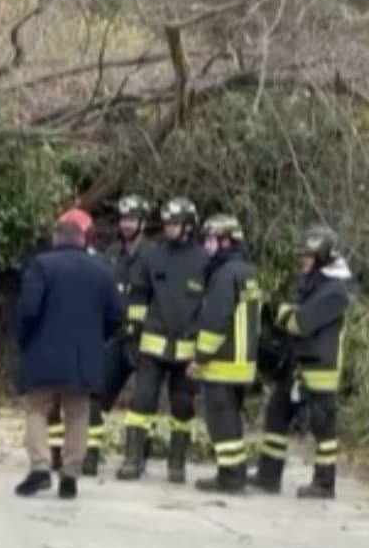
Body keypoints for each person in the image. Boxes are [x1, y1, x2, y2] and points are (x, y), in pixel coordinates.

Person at [12, 209, 125, 500]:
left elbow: (28, 309)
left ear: (56, 238)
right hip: (83, 357)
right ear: (83, 239)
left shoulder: (41, 265)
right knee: (78, 413)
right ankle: (71, 473)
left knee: (37, 408)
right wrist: (97, 338)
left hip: (43, 352)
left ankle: (40, 467)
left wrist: (23, 340)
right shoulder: (101, 270)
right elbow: (117, 315)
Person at [52, 195, 152, 475]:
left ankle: (138, 456)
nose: (127, 224)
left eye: (132, 219)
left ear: (143, 223)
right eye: (123, 219)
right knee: (94, 396)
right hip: (114, 338)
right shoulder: (111, 254)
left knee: (142, 401)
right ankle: (90, 456)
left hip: (144, 339)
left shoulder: (153, 256)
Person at [254, 225, 354, 498]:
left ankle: (324, 483)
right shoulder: (312, 284)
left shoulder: (335, 291)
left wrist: (285, 314)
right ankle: (268, 476)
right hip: (298, 365)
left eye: (308, 256)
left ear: (322, 258)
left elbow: (300, 323)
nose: (303, 261)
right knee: (277, 413)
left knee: (323, 428)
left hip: (320, 369)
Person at [120, 198, 208, 483]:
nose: (169, 227)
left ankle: (177, 462)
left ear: (189, 227)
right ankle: (133, 459)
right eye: (167, 223)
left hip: (187, 349)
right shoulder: (152, 256)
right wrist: (133, 331)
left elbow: (211, 305)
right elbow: (139, 295)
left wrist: (204, 348)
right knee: (142, 401)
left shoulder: (204, 260)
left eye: (175, 223)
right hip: (153, 344)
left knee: (182, 407)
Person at [192, 214, 262, 495]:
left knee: (222, 422)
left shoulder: (224, 275)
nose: (206, 246)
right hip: (243, 362)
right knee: (231, 420)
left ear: (226, 242)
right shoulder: (248, 272)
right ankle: (234, 472)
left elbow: (216, 320)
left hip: (223, 361)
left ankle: (230, 477)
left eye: (211, 240)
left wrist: (200, 357)